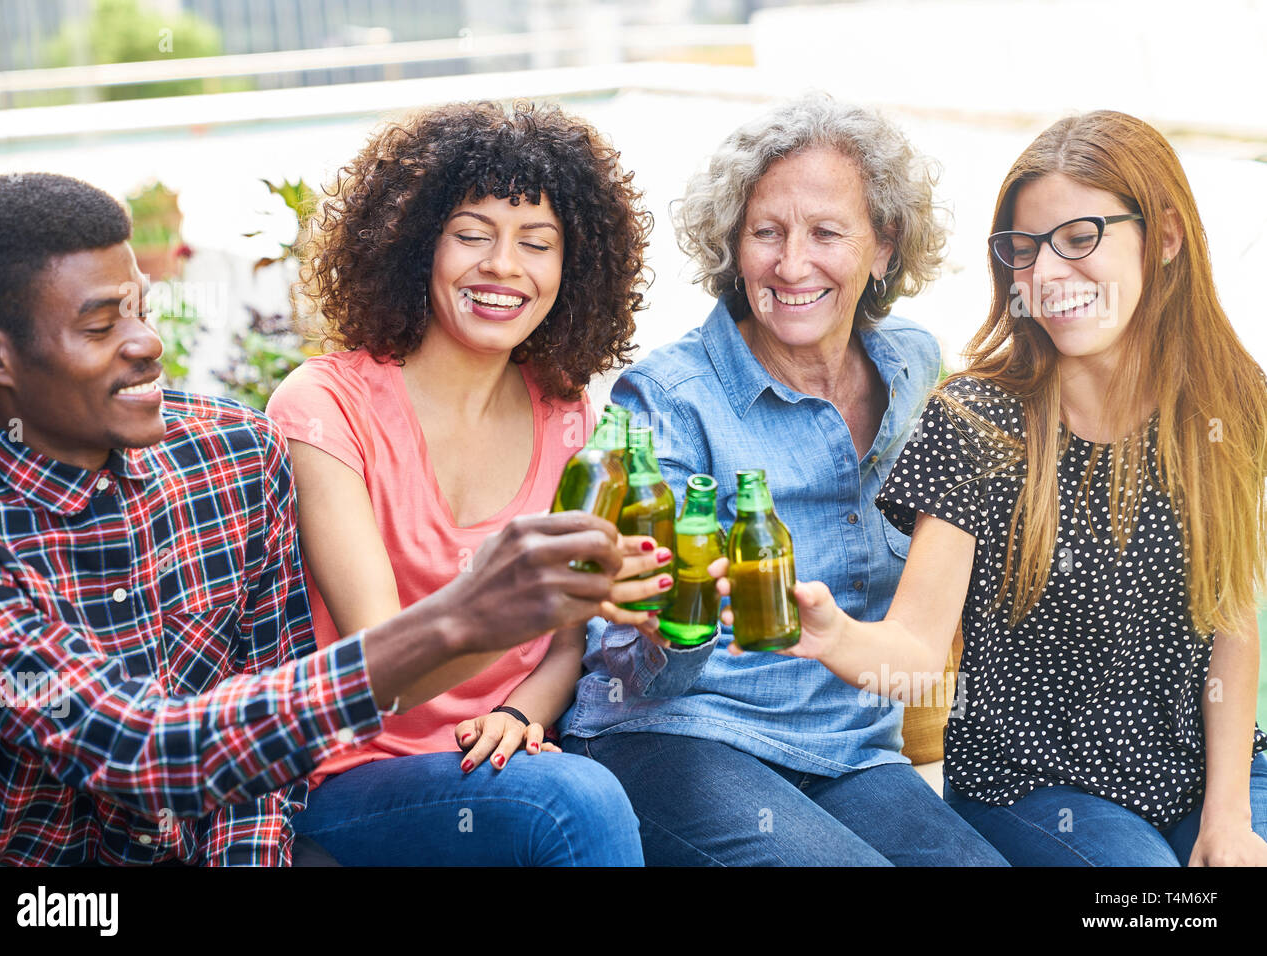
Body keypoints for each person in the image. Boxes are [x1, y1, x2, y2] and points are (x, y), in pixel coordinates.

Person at [0, 171, 629, 866]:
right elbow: (148, 750)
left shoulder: (232, 457)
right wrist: (463, 615)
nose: (147, 344)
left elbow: (264, 759)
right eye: (102, 326)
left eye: (143, 310)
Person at [727, 110, 1267, 866]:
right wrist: (836, 637)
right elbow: (916, 643)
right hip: (1035, 790)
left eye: (1080, 240)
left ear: (1165, 238)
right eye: (1025, 250)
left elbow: (1233, 622)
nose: (1046, 277)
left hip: (1209, 771)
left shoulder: (1232, 402)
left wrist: (1230, 817)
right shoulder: (976, 421)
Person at [561, 93, 1007, 865]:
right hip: (679, 738)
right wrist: (666, 624)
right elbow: (629, 664)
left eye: (827, 232)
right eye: (766, 233)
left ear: (884, 247)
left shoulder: (914, 366)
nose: (792, 265)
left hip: (850, 750)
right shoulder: (668, 396)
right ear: (734, 247)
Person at [265, 101, 660, 866]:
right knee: (574, 800)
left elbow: (565, 645)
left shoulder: (568, 411)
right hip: (357, 775)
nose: (503, 267)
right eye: (471, 235)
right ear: (416, 247)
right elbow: (381, 671)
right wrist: (528, 596)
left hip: (506, 764)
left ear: (571, 269)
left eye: (536, 243)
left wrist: (518, 714)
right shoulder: (324, 405)